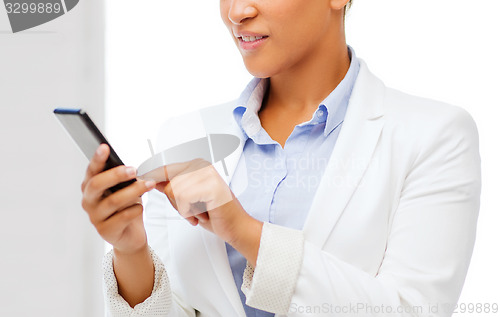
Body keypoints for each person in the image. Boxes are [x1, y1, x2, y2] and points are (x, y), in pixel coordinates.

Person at [81, 0, 481, 316]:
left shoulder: (435, 135)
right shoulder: (184, 136)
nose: (237, 11)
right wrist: (130, 250)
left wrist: (245, 232)